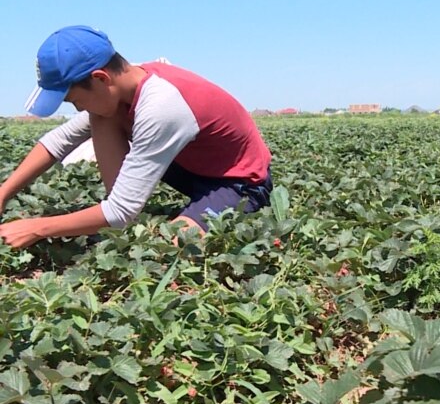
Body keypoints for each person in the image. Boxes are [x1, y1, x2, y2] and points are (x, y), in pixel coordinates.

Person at [0, 25, 273, 248]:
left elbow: (121, 211)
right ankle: (116, 211)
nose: (78, 109)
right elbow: (59, 141)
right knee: (102, 116)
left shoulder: (162, 105)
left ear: (101, 79)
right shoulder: (125, 83)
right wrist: (3, 194)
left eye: (74, 100)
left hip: (239, 183)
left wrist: (37, 228)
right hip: (192, 168)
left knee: (174, 245)